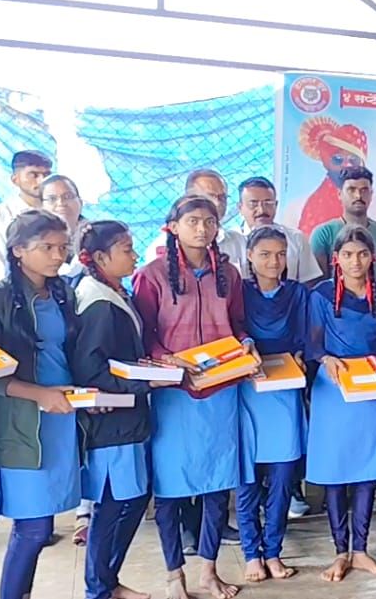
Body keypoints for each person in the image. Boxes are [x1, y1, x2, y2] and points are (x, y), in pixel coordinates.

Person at [132, 194, 252, 599]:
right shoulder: (151, 275)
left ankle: (209, 571)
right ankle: (174, 577)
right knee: (171, 487)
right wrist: (166, 360)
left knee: (219, 483)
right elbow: (145, 333)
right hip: (174, 394)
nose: (202, 229)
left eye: (210, 221)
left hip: (221, 390)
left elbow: (237, 324)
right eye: (193, 221)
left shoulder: (229, 274)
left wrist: (246, 343)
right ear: (173, 227)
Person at [305, 224, 376, 583]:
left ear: (372, 257)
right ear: (336, 258)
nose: (355, 261)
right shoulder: (322, 294)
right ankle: (340, 551)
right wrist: (325, 358)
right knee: (335, 470)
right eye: (347, 254)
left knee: (366, 470)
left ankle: (360, 549)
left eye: (362, 254)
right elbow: (313, 342)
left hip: (372, 389)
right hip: (335, 389)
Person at [0, 210, 81, 599]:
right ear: (18, 250)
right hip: (22, 421)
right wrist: (39, 394)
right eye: (47, 247)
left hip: (61, 415)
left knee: (40, 523)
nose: (57, 256)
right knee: (33, 527)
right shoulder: (1, 299)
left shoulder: (61, 293)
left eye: (63, 247)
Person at [73, 220, 153, 599]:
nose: (134, 256)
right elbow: (92, 369)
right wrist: (146, 383)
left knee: (131, 498)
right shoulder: (99, 304)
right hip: (112, 421)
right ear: (101, 257)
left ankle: (107, 582)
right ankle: (98, 588)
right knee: (112, 505)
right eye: (126, 249)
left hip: (126, 418)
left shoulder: (114, 292)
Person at [236, 226, 308, 584]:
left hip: (285, 390)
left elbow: (307, 335)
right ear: (250, 256)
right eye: (265, 254)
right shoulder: (239, 292)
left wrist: (301, 355)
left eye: (280, 254)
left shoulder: (297, 293)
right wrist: (245, 344)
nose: (274, 261)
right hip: (248, 389)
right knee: (247, 479)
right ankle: (252, 553)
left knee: (282, 477)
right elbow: (232, 328)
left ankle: (274, 550)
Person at [310, 167, 376, 293]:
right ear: (339, 194)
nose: (358, 196)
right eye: (351, 190)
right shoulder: (323, 233)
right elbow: (319, 286)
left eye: (364, 190)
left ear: (371, 194)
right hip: (333, 304)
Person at [147, 169, 248, 267]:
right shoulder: (161, 246)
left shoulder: (238, 241)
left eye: (222, 197)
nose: (217, 203)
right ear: (189, 198)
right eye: (210, 196)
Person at [237, 177, 322, 283]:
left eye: (268, 203)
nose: (261, 210)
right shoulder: (230, 241)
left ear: (276, 205)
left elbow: (309, 281)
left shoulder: (296, 239)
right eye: (253, 204)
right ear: (240, 208)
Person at [297, 116, 368, 235]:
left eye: (353, 160)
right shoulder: (316, 204)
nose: (346, 165)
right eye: (338, 159)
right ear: (327, 162)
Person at [0, 150, 53, 280]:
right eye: (34, 175)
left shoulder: (59, 210)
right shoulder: (1, 215)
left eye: (47, 175)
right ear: (15, 179)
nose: (42, 181)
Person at [40, 174, 89, 285]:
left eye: (68, 196)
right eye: (52, 199)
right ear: (41, 206)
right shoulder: (31, 241)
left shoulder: (97, 236)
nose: (61, 203)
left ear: (80, 202)